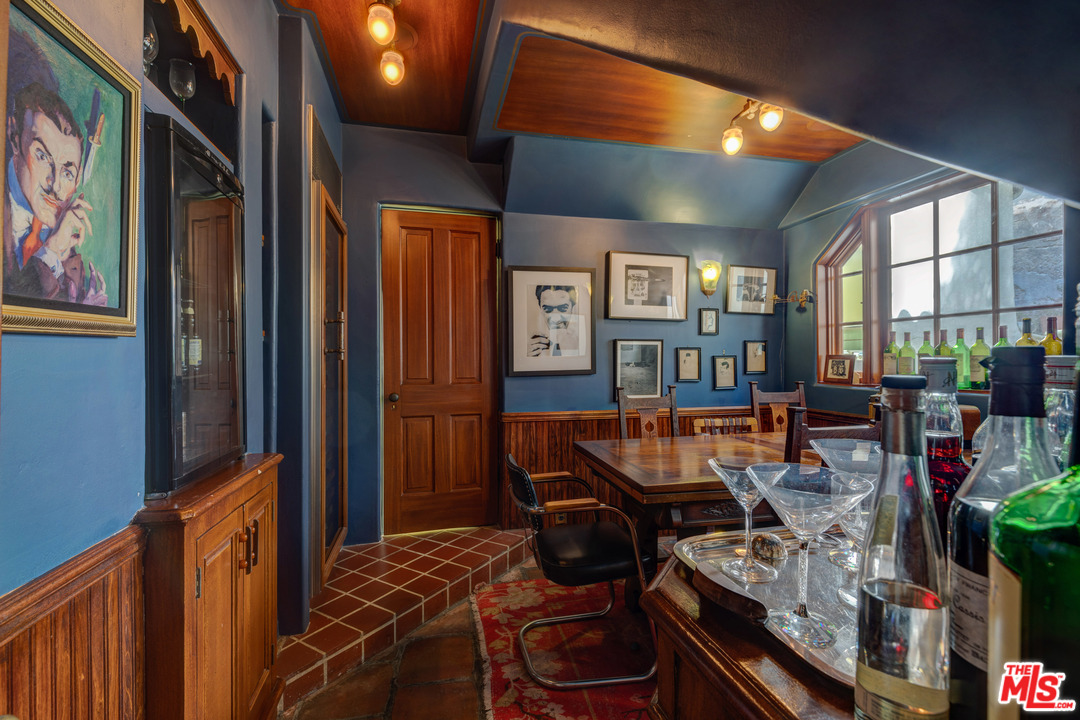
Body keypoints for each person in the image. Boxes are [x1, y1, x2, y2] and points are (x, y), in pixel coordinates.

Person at [4, 81, 103, 303]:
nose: (55, 186)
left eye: (67, 173)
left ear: (77, 180)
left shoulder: (69, 238)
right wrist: (51, 251)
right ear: (14, 136)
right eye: (42, 157)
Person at [529, 284, 581, 356]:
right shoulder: (533, 347)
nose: (555, 318)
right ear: (540, 309)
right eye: (547, 309)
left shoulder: (584, 343)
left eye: (563, 308)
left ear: (573, 307)